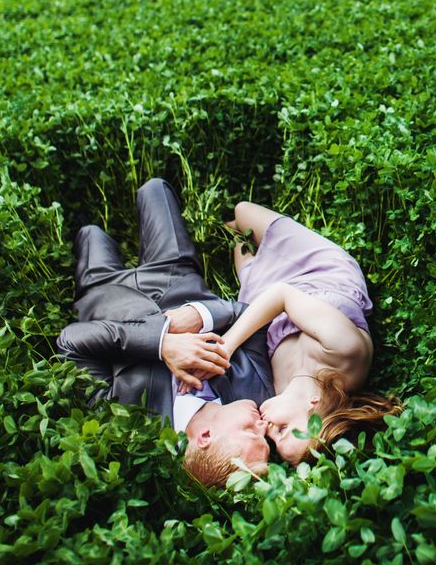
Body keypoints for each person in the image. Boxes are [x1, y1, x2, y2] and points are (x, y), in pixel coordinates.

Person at [55, 178, 274, 486]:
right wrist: (198, 315)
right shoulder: (259, 392)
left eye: (253, 432)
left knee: (89, 233)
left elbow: (71, 343)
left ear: (205, 436)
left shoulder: (129, 421)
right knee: (154, 188)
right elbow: (255, 317)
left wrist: (161, 343)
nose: (264, 425)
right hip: (173, 273)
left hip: (105, 292)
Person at [212, 202, 401, 465]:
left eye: (274, 442)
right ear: (314, 408)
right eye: (282, 430)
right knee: (242, 211)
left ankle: (227, 230)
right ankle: (237, 226)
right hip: (315, 271)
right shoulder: (346, 354)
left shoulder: (277, 391)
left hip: (264, 297)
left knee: (238, 246)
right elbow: (281, 294)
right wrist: (227, 345)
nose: (268, 431)